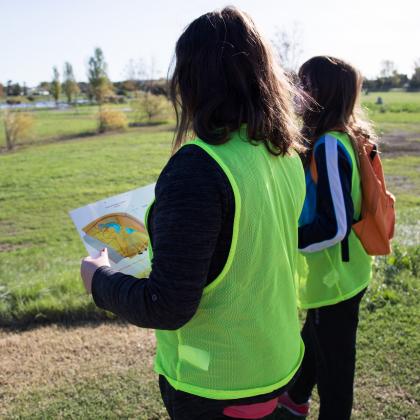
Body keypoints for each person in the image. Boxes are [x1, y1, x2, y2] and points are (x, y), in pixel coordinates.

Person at [80, 7, 307, 420]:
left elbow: (165, 305)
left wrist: (99, 280)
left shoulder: (197, 168)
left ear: (191, 82)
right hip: (277, 358)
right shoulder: (284, 154)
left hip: (215, 383)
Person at [278, 56, 375, 419]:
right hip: (344, 273)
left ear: (326, 94)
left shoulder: (329, 146)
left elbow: (334, 226)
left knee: (336, 370)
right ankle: (295, 398)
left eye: (307, 84)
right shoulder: (341, 136)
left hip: (335, 278)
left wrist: (285, 241)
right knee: (316, 338)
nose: (298, 92)